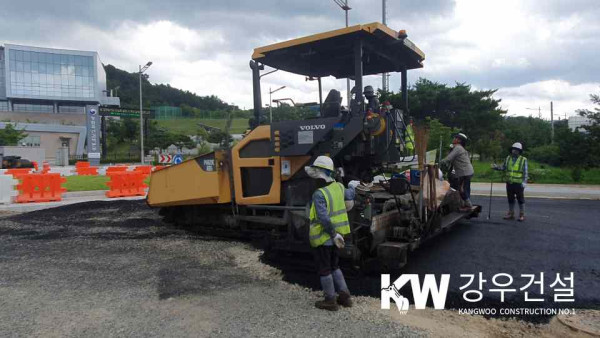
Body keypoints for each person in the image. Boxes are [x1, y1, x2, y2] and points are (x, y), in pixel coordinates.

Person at [305, 155, 355, 311]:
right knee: (335, 266)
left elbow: (324, 218)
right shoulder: (339, 187)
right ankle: (345, 296)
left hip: (324, 237)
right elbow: (350, 195)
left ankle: (330, 300)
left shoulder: (319, 194)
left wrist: (332, 234)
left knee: (324, 268)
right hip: (339, 236)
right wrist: (352, 185)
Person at [492, 142, 528, 221]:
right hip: (509, 183)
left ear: (519, 151)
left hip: (519, 184)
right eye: (513, 149)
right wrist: (496, 167)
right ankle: (511, 214)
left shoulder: (523, 159)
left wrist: (524, 182)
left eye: (516, 150)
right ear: (511, 150)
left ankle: (522, 215)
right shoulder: (508, 158)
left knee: (520, 199)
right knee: (510, 199)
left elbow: (525, 172)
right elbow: (503, 167)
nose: (514, 151)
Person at [440, 133, 474, 211]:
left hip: (465, 172)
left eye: (455, 138)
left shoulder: (458, 148)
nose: (454, 139)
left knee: (461, 189)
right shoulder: (459, 148)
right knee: (462, 189)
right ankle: (464, 204)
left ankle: (469, 205)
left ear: (459, 140)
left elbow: (448, 159)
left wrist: (439, 163)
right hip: (466, 172)